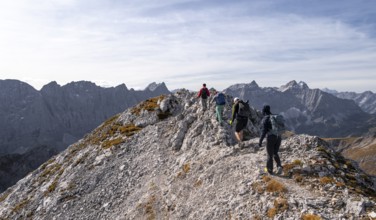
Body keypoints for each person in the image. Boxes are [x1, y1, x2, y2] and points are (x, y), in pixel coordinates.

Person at [259, 105, 283, 175]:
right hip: (279, 137)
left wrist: (260, 141)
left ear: (264, 111)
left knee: (269, 155)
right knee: (275, 152)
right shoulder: (274, 117)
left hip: (271, 138)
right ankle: (279, 166)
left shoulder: (265, 119)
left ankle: (270, 170)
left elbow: (264, 131)